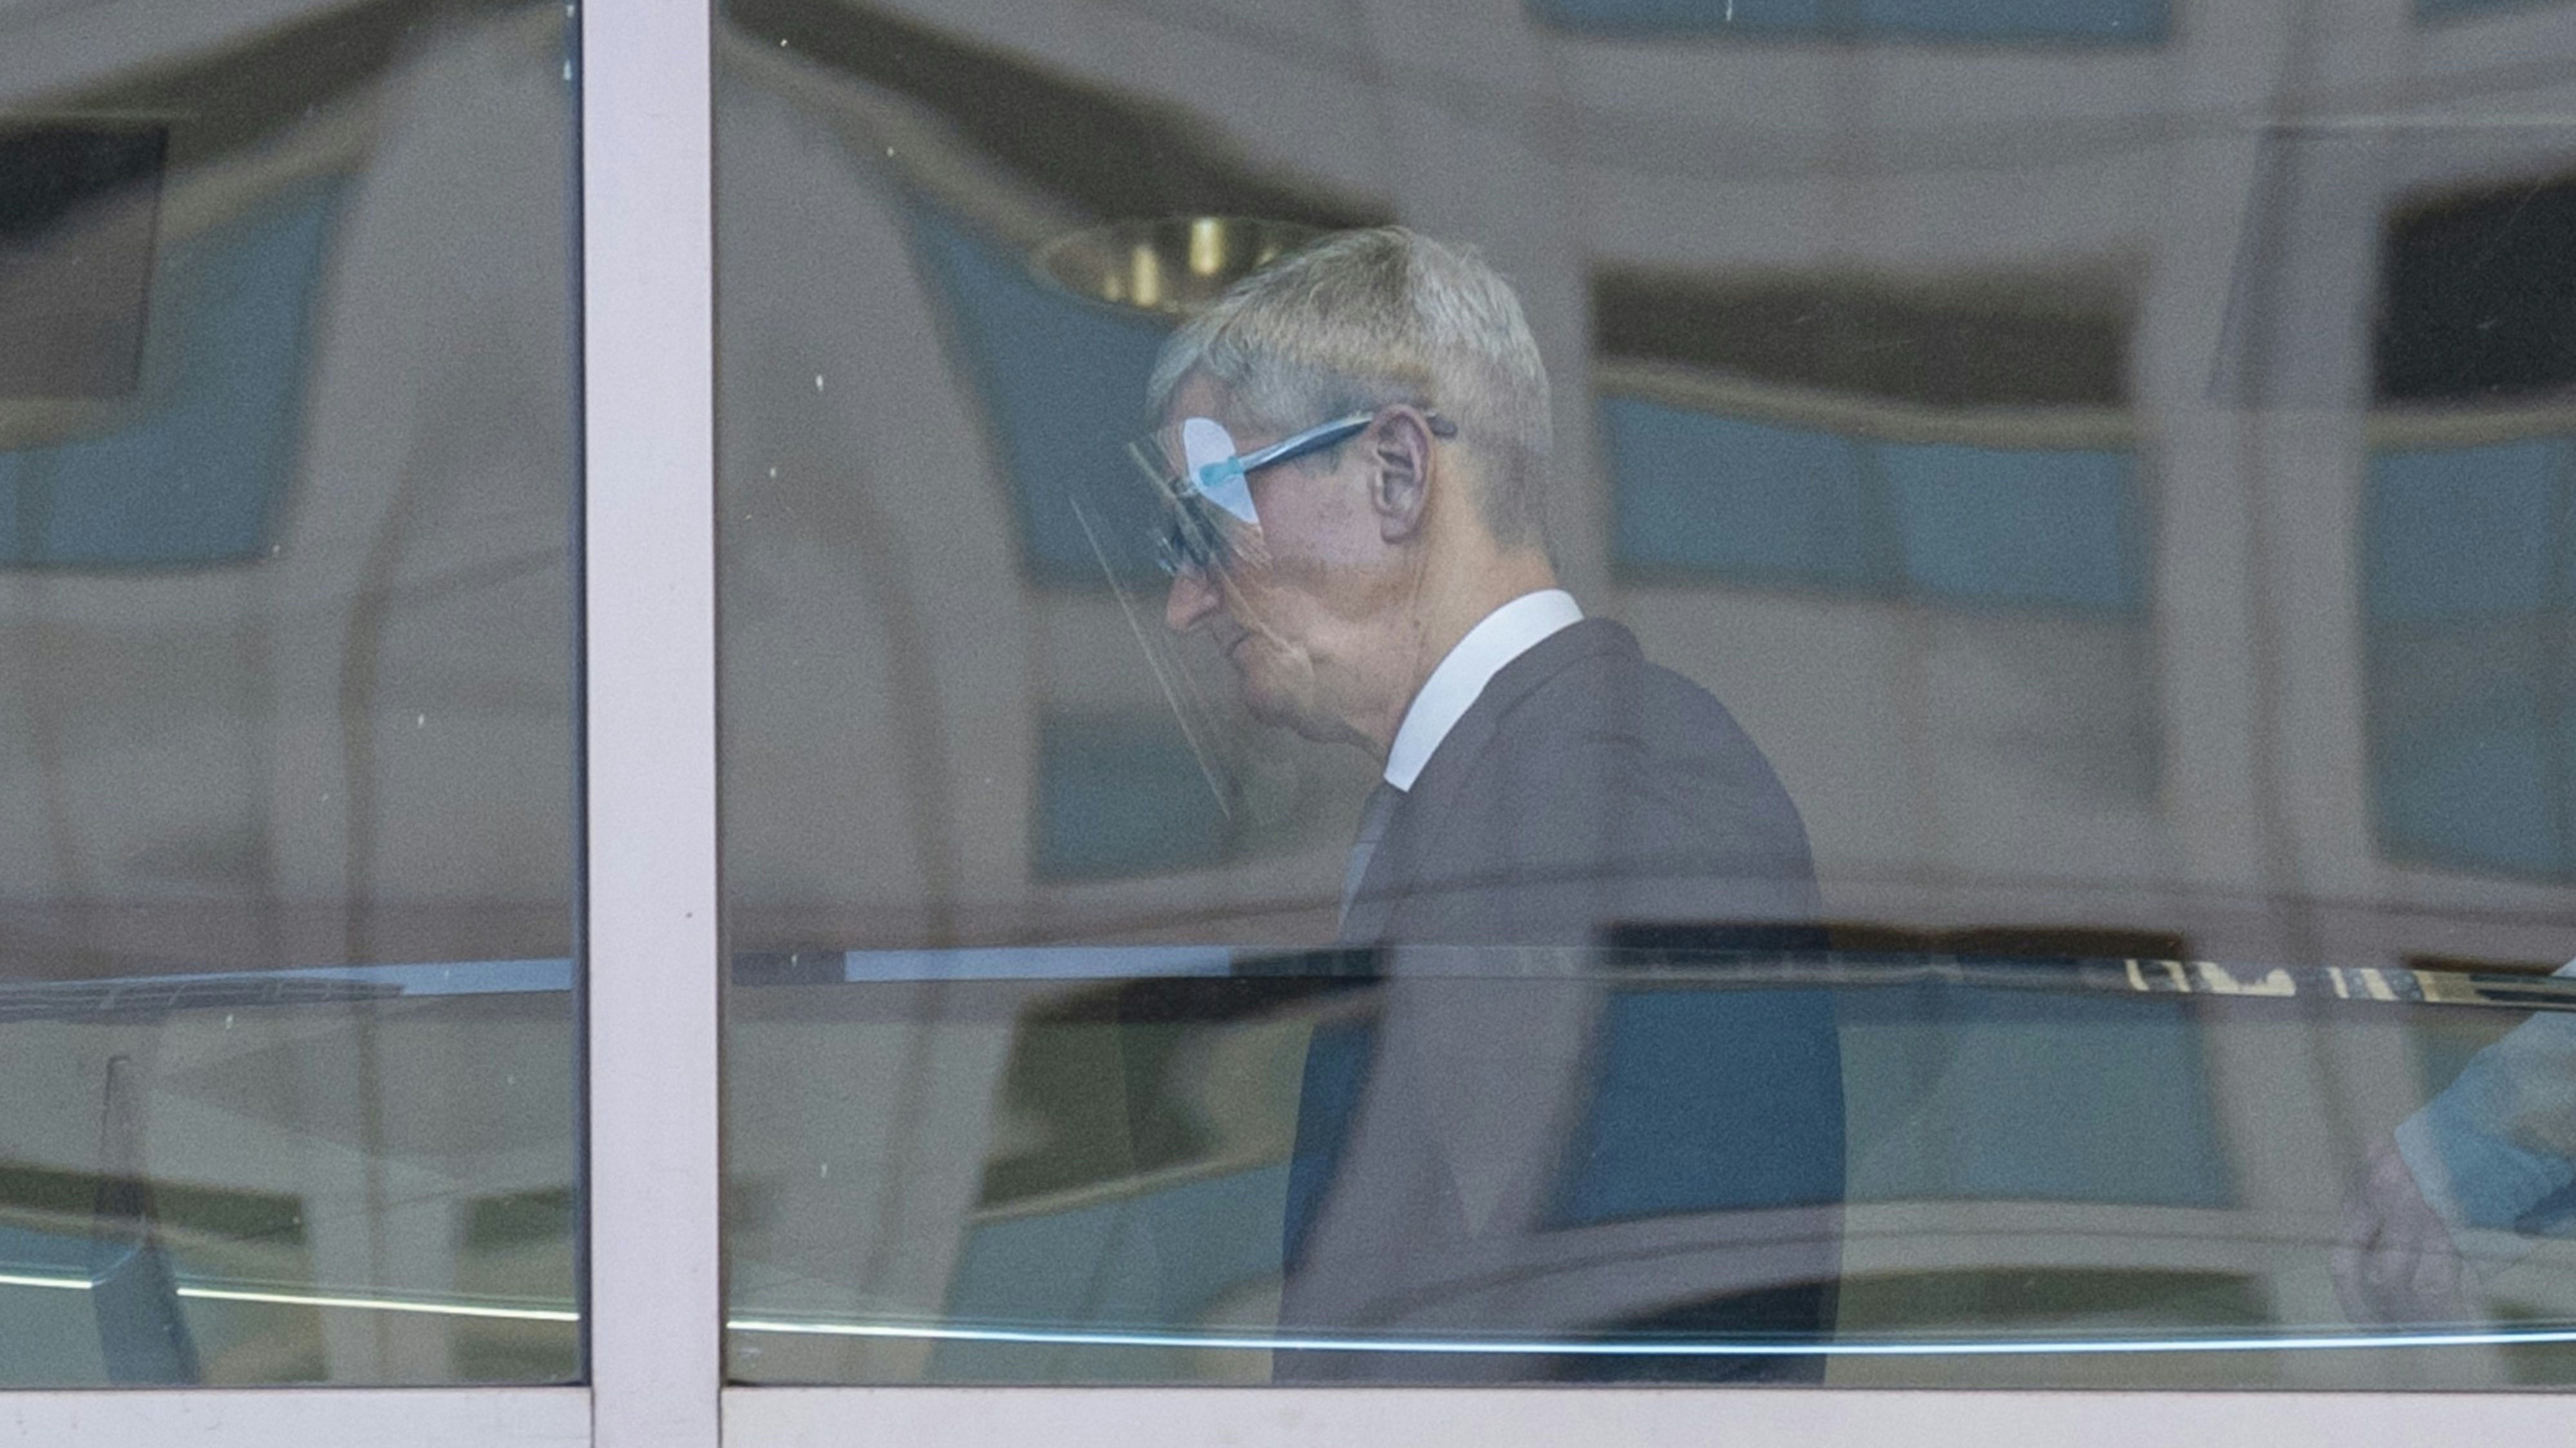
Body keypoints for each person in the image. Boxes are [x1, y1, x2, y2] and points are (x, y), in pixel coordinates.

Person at [1142, 227, 1841, 1381]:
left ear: (1396, 474)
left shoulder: (1631, 796)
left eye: (1205, 520)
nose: (1185, 600)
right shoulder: (1540, 788)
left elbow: (1675, 1367)